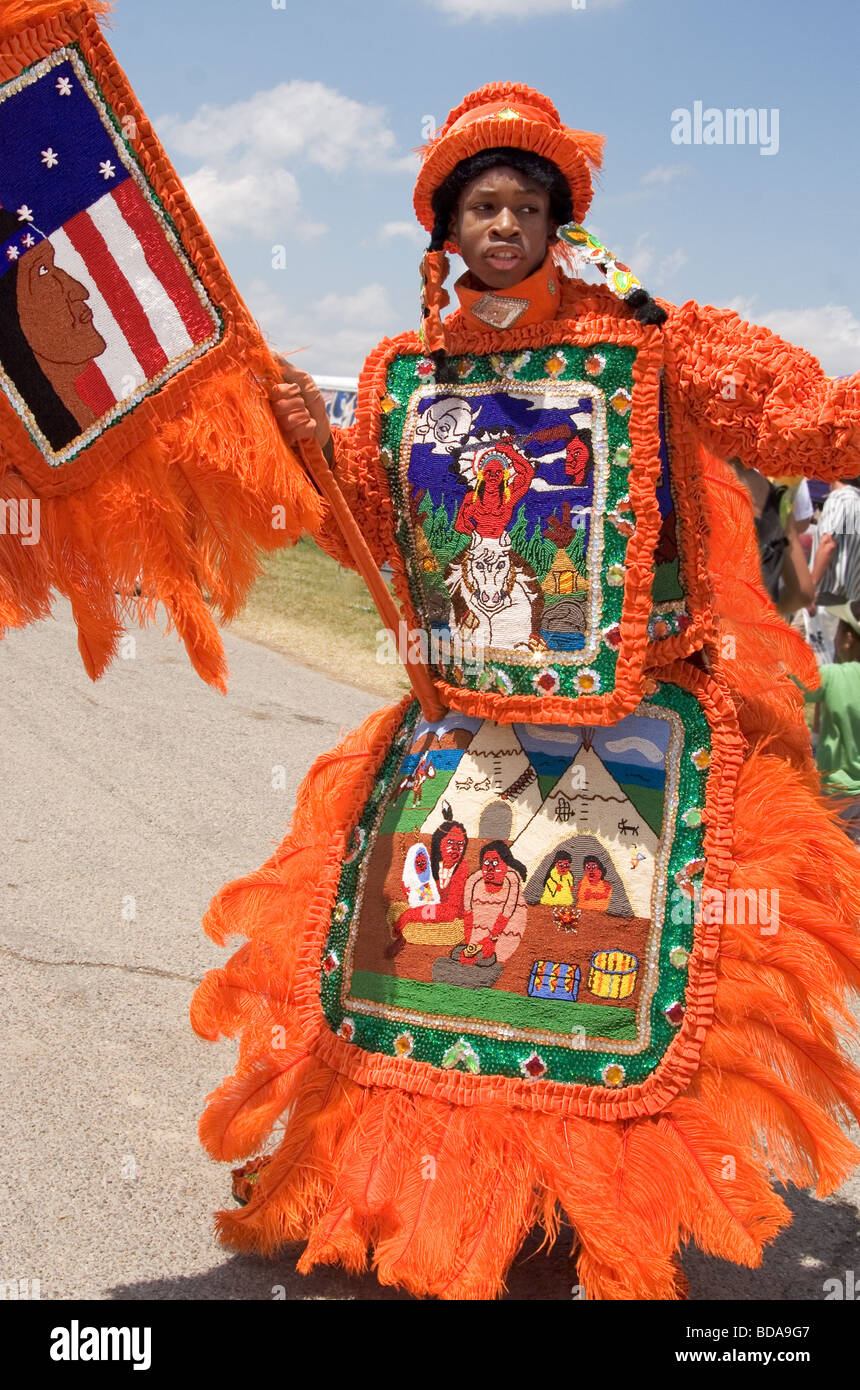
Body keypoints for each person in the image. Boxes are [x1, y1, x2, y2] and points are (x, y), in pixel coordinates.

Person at [193, 84, 860, 1302]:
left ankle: (575, 1209)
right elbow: (375, 536)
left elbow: (804, 422)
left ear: (559, 221)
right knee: (430, 968)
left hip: (632, 725)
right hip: (470, 723)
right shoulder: (404, 374)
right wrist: (302, 436)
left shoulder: (649, 344)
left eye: (523, 205)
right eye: (479, 205)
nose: (501, 223)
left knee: (604, 975)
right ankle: (425, 1196)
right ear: (442, 231)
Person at [791, 600, 860, 845]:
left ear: (848, 638)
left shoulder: (835, 677)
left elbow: (791, 685)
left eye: (839, 629)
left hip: (837, 794)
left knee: (836, 858)